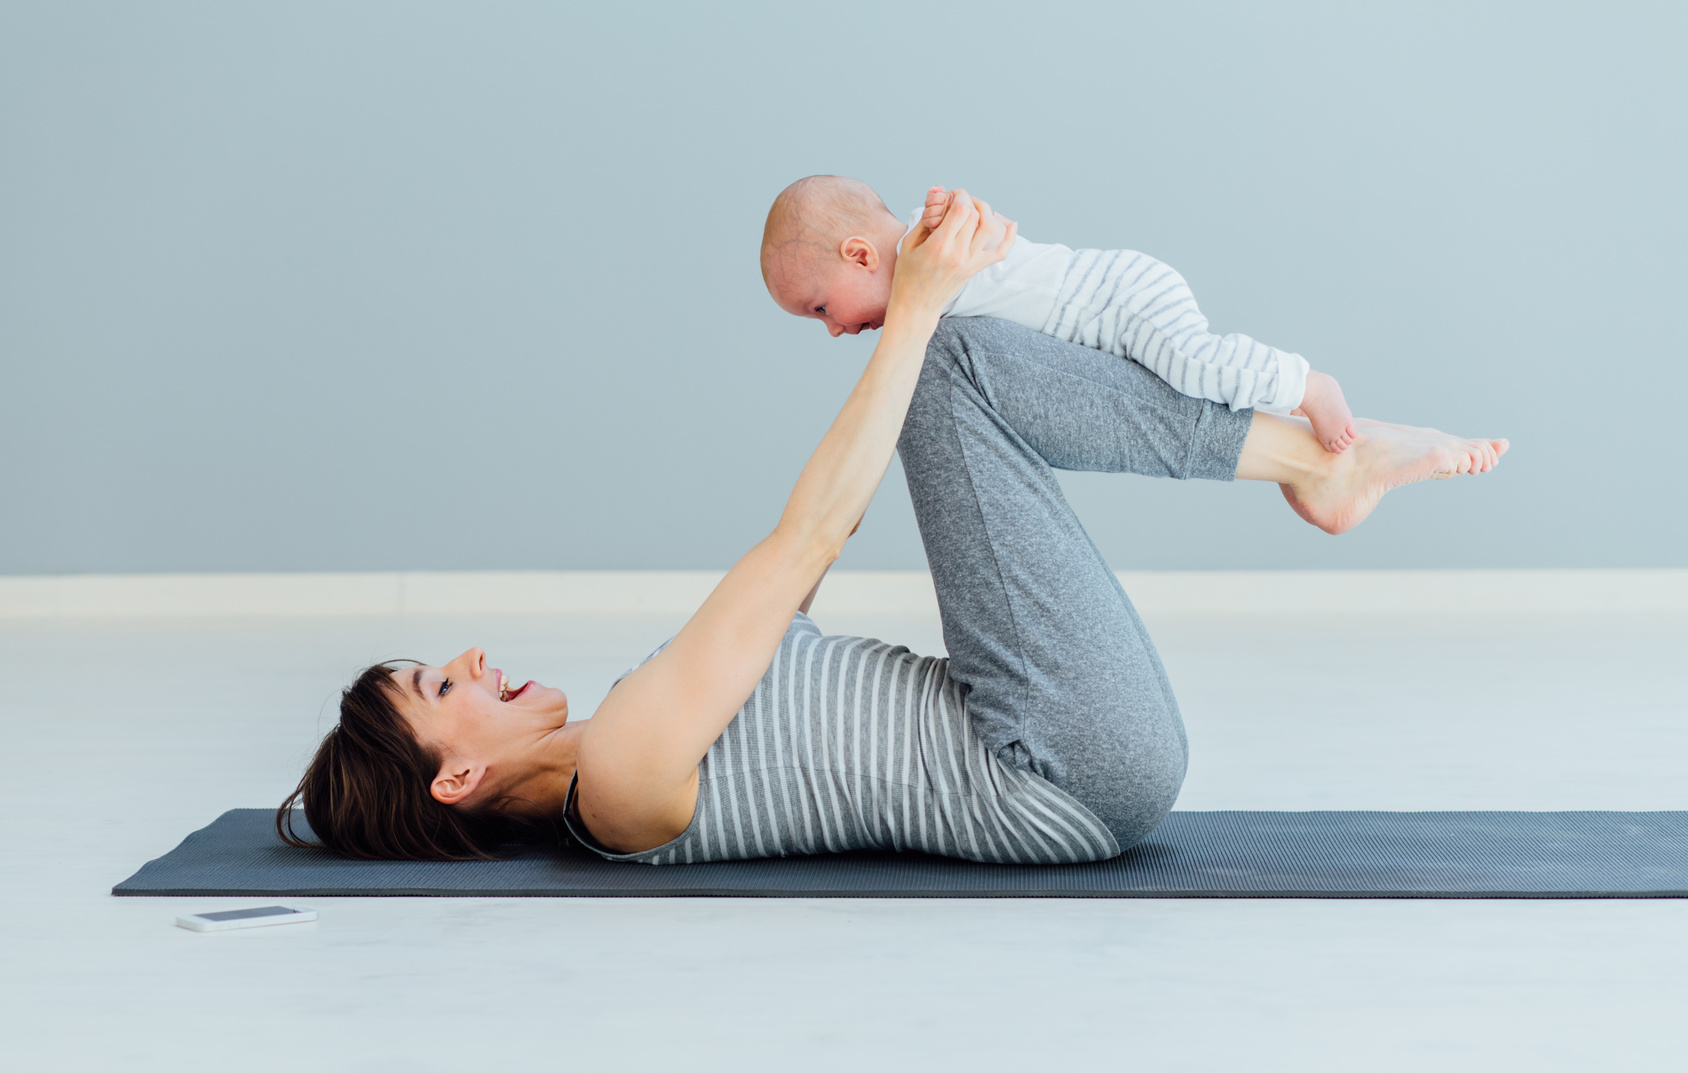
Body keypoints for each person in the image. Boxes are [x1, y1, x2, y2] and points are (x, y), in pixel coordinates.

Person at [280, 192, 1507, 865]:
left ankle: (1313, 463)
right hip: (1062, 768)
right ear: (457, 771)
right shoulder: (619, 779)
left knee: (947, 361)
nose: (477, 660)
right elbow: (807, 539)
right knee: (948, 360)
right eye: (446, 681)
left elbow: (805, 554)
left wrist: (921, 315)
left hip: (1056, 733)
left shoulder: (631, 715)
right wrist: (913, 307)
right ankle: (1315, 459)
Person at [761, 175, 1365, 454]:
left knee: (1192, 364)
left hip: (1120, 297)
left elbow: (973, 230)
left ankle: (1305, 384)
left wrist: (949, 214)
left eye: (820, 308)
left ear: (861, 254)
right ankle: (1292, 445)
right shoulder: (918, 281)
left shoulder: (927, 247)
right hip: (1106, 322)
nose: (835, 329)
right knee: (1184, 397)